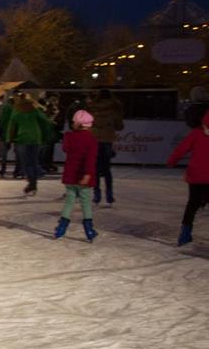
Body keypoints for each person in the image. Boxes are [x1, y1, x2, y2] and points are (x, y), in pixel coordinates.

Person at [168, 101, 209, 248]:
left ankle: (185, 233)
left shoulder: (198, 132)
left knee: (192, 203)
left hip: (196, 174)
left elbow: (182, 148)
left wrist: (173, 160)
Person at [54, 110, 98, 241]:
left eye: (73, 122)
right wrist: (88, 174)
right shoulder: (91, 139)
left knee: (69, 202)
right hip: (83, 176)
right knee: (86, 203)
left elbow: (65, 149)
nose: (72, 124)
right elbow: (90, 159)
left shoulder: (69, 136)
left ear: (77, 124)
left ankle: (61, 228)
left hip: (70, 175)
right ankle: (89, 230)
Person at [7, 94, 52, 196]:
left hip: (22, 138)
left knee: (26, 163)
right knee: (34, 162)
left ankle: (31, 183)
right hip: (36, 138)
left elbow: (12, 127)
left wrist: (10, 139)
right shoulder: (35, 111)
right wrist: (45, 136)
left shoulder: (17, 111)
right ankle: (33, 183)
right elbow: (45, 121)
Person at [87, 88, 125, 205]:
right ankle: (109, 194)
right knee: (106, 168)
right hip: (107, 140)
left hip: (93, 139)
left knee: (95, 168)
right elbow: (119, 126)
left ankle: (97, 194)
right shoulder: (114, 108)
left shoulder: (92, 107)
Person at [0, 93, 17, 178]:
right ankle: (17, 170)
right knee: (17, 153)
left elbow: (0, 120)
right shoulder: (15, 109)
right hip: (14, 133)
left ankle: (3, 169)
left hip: (5, 133)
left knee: (4, 152)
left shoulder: (4, 109)